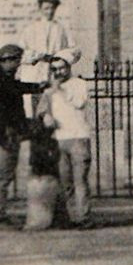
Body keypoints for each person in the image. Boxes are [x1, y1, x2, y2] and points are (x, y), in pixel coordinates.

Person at [0, 43, 47, 225]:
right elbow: (5, 100)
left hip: (5, 133)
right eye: (16, 61)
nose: (18, 65)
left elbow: (16, 87)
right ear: (4, 60)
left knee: (3, 174)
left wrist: (37, 87)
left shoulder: (0, 77)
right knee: (2, 175)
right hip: (4, 134)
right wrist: (9, 131)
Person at [41, 57, 93, 228]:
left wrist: (60, 90)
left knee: (80, 180)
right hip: (59, 138)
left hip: (78, 136)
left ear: (69, 68)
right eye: (54, 69)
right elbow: (42, 109)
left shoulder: (79, 84)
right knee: (65, 182)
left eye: (62, 68)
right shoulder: (50, 88)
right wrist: (45, 116)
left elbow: (79, 103)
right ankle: (73, 217)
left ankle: (84, 217)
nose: (58, 72)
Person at [19, 0, 79, 88]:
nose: (50, 11)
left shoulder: (61, 29)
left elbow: (74, 50)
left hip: (55, 72)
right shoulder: (30, 29)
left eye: (52, 8)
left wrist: (60, 57)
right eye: (46, 8)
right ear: (40, 9)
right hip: (34, 72)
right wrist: (36, 56)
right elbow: (21, 52)